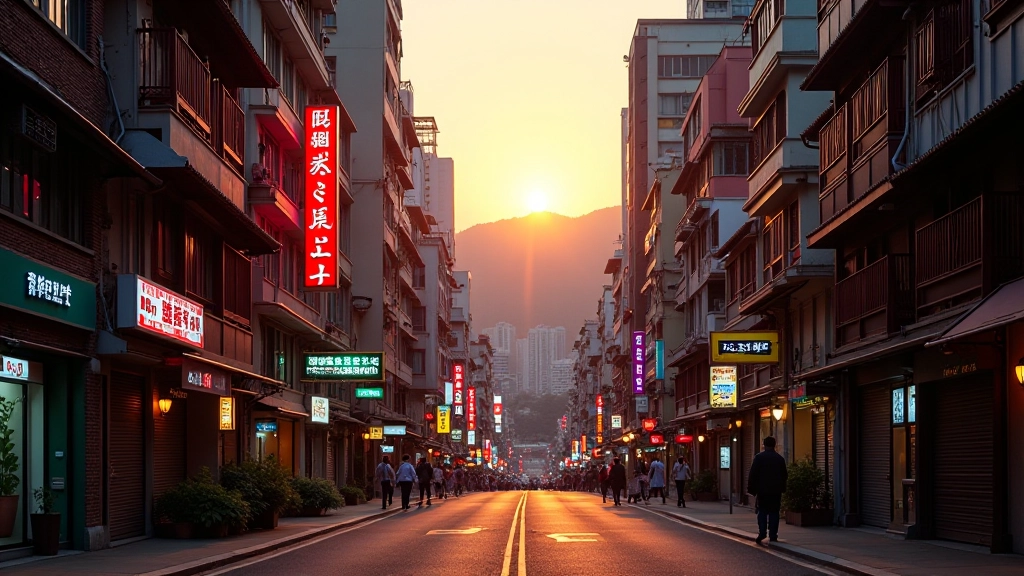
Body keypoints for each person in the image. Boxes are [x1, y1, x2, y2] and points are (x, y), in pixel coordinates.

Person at [747, 436, 788, 545]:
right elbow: (784, 475)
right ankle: (773, 535)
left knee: (762, 511)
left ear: (764, 445)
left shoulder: (759, 458)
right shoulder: (780, 459)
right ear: (774, 445)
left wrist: (751, 489)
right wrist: (782, 488)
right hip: (776, 491)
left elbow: (753, 474)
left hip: (762, 491)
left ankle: (762, 533)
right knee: (774, 512)